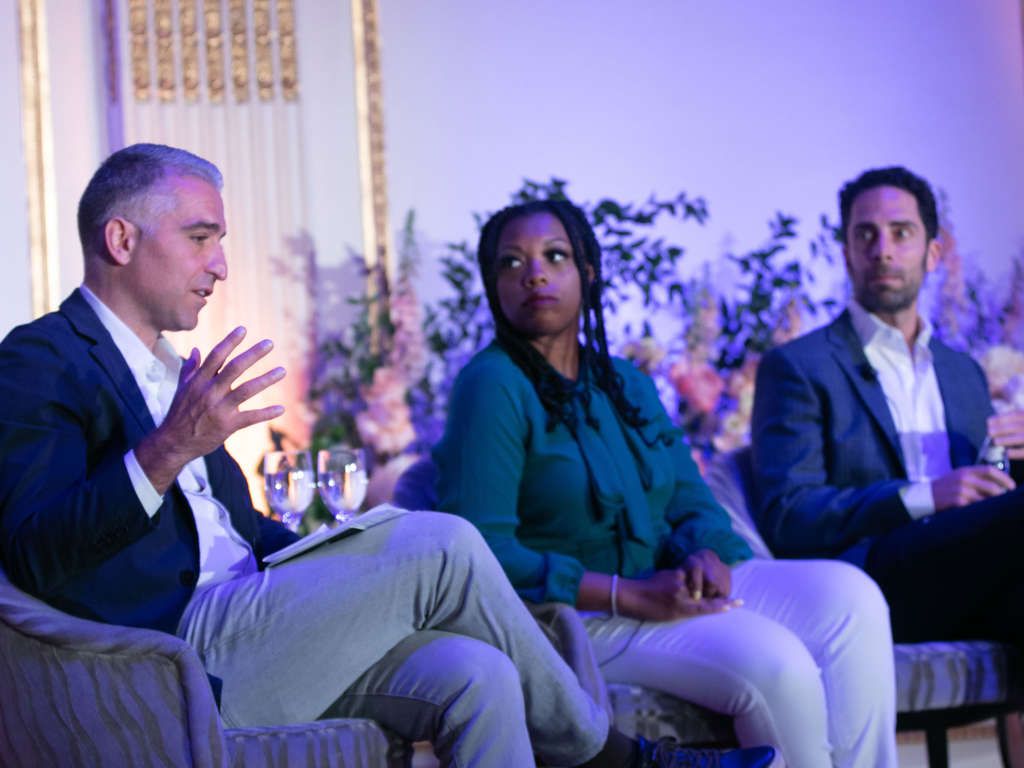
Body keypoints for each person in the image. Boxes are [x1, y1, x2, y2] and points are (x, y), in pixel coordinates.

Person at [0, 143, 772, 768]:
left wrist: (333, 553)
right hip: (173, 654)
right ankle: (617, 760)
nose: (221, 265)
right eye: (202, 238)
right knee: (443, 541)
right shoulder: (40, 360)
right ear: (122, 239)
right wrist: (168, 448)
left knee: (479, 674)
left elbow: (236, 535)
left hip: (263, 621)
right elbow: (32, 553)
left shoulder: (174, 368)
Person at [433, 198, 898, 767]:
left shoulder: (624, 382)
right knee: (778, 662)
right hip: (573, 621)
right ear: (493, 285)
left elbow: (689, 499)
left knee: (850, 597)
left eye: (555, 256)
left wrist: (704, 550)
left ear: (588, 273)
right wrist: (623, 593)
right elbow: (480, 554)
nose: (533, 273)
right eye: (511, 263)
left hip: (659, 589)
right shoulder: (490, 386)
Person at [751, 165, 1024, 647]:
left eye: (901, 233)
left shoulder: (964, 373)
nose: (883, 250)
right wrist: (926, 495)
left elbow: (989, 495)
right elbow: (788, 516)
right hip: (874, 581)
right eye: (866, 235)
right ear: (846, 254)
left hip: (974, 574)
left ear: (933, 252)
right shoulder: (798, 366)